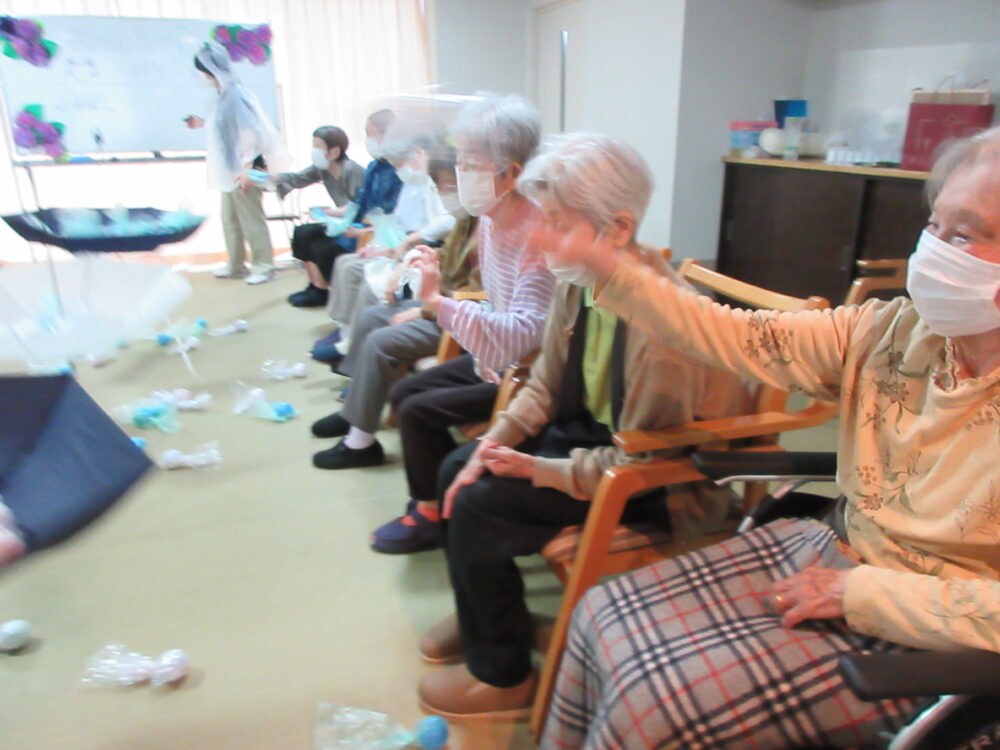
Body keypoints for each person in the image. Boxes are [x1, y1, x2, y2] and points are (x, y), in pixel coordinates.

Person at [541, 125, 1000, 748]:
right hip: (840, 551)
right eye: (934, 227)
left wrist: (864, 593)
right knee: (596, 615)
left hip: (930, 625)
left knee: (659, 713)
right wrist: (612, 269)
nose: (934, 251)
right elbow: (735, 336)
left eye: (965, 234)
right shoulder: (895, 329)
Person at [414, 132, 751, 720]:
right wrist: (494, 444)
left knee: (480, 505)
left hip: (662, 483)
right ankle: (488, 616)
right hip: (597, 439)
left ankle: (504, 678)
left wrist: (537, 468)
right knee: (454, 467)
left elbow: (643, 460)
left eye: (558, 224)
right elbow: (543, 383)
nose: (540, 237)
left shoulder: (662, 328)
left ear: (618, 229)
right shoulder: (582, 283)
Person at [317, 94, 554, 495]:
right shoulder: (493, 217)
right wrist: (437, 282)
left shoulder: (535, 231)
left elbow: (527, 332)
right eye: (457, 162)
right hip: (495, 355)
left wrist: (437, 304)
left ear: (511, 173)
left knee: (413, 406)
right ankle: (430, 497)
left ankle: (431, 504)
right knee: (408, 394)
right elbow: (498, 306)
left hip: (525, 371)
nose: (459, 175)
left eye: (468, 164)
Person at [309, 146, 480, 469]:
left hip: (455, 316)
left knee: (382, 340)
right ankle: (354, 415)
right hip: (443, 303)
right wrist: (423, 259)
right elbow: (450, 260)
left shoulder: (486, 226)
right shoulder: (464, 221)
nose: (443, 194)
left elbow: (482, 294)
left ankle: (360, 443)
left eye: (446, 187)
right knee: (372, 316)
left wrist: (427, 309)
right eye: (440, 187)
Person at [318, 125, 456, 363]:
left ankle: (354, 345)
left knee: (365, 280)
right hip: (408, 246)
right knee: (349, 264)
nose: (397, 168)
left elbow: (440, 227)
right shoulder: (417, 181)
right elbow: (399, 223)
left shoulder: (442, 183)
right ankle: (347, 333)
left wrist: (405, 249)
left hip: (424, 252)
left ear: (419, 153)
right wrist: (386, 244)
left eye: (399, 161)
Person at [186, 42, 288, 285]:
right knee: (230, 219)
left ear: (211, 70)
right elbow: (222, 125)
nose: (202, 76)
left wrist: (247, 170)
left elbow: (248, 133)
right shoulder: (222, 94)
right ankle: (236, 264)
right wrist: (201, 123)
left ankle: (264, 266)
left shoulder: (235, 94)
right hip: (228, 169)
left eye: (203, 71)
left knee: (251, 218)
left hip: (244, 169)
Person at [273, 126, 366, 307]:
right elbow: (298, 178)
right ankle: (316, 288)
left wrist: (329, 212)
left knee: (318, 243)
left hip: (356, 225)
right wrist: (270, 177)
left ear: (335, 151)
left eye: (318, 146)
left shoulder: (351, 170)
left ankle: (322, 290)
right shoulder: (322, 169)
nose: (314, 151)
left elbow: (360, 206)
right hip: (338, 221)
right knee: (302, 233)